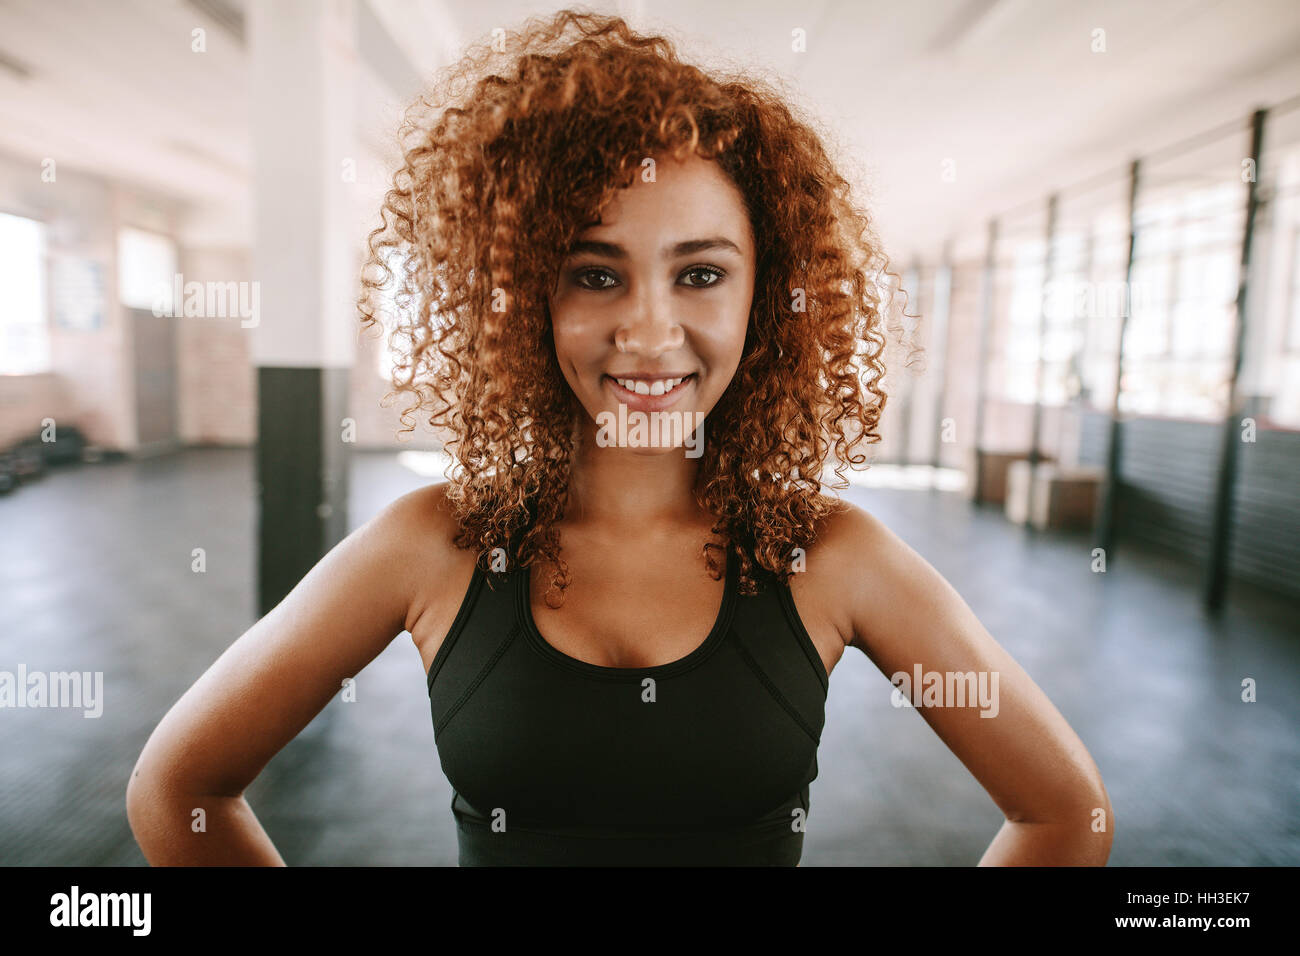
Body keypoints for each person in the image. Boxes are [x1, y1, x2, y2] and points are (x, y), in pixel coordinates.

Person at [126, 9, 1112, 866]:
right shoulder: (431, 544)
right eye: (595, 273)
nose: (648, 330)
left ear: (764, 297)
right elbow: (178, 792)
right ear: (523, 300)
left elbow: (1068, 812)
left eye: (699, 273)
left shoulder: (834, 557)